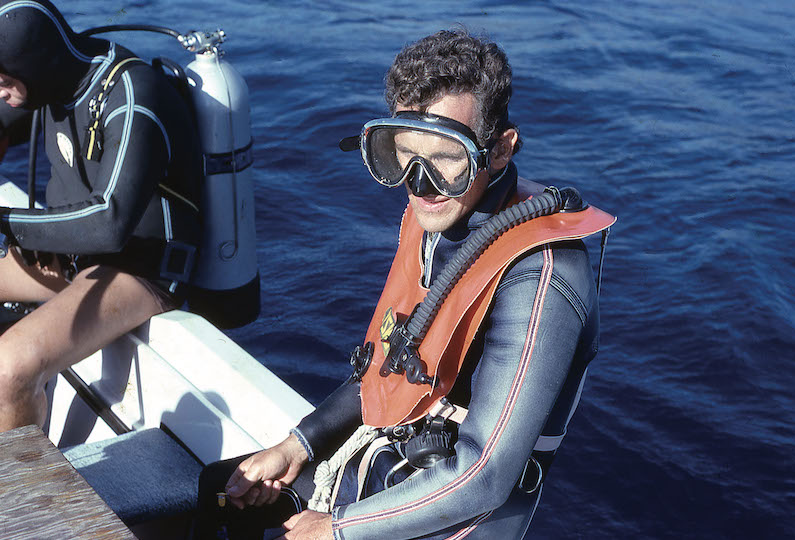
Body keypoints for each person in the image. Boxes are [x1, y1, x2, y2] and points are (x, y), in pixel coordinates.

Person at [195, 29, 614, 539]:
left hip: (457, 516)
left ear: (500, 150)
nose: (420, 184)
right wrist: (298, 445)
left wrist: (336, 529)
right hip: (391, 459)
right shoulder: (438, 221)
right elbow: (387, 367)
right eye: (404, 155)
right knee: (222, 489)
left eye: (447, 158)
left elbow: (484, 475)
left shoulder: (541, 275)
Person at [0, 0, 201, 431]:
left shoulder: (132, 95)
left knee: (10, 368)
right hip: (74, 257)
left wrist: (7, 225)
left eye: (3, 81)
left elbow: (109, 223)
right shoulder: (52, 83)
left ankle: (24, 476)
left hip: (140, 270)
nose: (0, 93)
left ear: (33, 65)